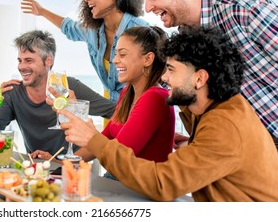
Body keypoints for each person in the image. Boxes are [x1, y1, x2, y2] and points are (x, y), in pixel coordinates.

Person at [59, 26, 278, 202]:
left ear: (199, 79)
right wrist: (192, 146)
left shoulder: (224, 125)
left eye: (171, 70)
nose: (164, 78)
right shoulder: (218, 110)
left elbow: (163, 184)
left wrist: (92, 138)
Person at [136, 0, 278, 149]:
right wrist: (200, 139)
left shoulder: (241, 9)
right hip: (246, 148)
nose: (148, 7)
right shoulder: (184, 35)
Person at [42, 26, 175, 176]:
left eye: (122, 54)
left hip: (140, 190)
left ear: (147, 59)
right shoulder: (127, 93)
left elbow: (119, 155)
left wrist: (85, 128)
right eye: (115, 54)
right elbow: (106, 138)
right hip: (119, 181)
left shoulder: (155, 98)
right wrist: (63, 164)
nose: (114, 60)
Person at [21, 0, 149, 103]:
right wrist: (42, 11)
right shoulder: (93, 31)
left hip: (139, 104)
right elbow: (69, 27)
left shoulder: (141, 29)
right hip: (112, 106)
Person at [0, 30, 115, 157]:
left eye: (29, 60)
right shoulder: (13, 93)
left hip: (71, 169)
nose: (22, 67)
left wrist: (103, 144)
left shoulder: (69, 86)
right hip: (36, 172)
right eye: (20, 61)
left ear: (48, 60)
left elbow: (115, 112)